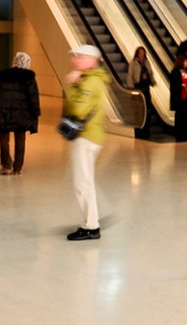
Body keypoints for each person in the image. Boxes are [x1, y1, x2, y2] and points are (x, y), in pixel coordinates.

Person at [64, 45, 109, 241]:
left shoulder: (90, 83)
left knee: (83, 183)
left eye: (80, 57)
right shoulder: (91, 80)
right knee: (85, 181)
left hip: (86, 137)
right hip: (91, 136)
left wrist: (73, 85)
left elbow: (79, 110)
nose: (75, 60)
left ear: (92, 60)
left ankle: (91, 226)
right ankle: (91, 222)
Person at [0, 52, 41, 175]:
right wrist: (35, 112)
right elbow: (33, 97)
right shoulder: (29, 78)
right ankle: (18, 168)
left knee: (4, 139)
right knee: (20, 139)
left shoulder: (2, 76)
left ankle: (6, 166)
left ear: (14, 62)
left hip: (2, 112)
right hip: (22, 114)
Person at [127, 47, 156, 138]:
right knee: (138, 111)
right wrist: (132, 88)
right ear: (137, 54)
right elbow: (129, 76)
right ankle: (139, 131)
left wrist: (152, 81)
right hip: (138, 89)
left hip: (146, 89)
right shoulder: (133, 63)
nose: (141, 55)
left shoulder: (147, 62)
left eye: (143, 53)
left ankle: (146, 130)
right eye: (140, 53)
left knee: (148, 109)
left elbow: (150, 73)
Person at [169, 56, 187, 141]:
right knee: (180, 115)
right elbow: (174, 86)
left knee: (186, 115)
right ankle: (179, 133)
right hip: (180, 97)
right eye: (186, 62)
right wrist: (183, 85)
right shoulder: (175, 72)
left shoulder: (186, 72)